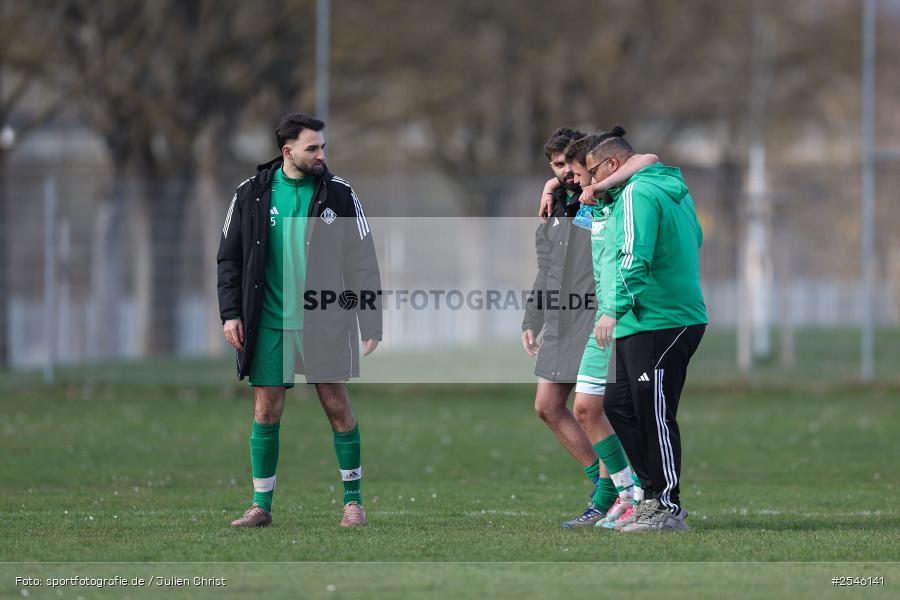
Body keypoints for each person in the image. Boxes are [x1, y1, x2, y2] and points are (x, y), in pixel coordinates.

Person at [217, 112, 382, 529]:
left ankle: (353, 502)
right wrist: (231, 312)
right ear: (287, 151)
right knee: (266, 410)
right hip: (269, 321)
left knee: (336, 406)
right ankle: (260, 506)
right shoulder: (251, 193)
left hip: (325, 319)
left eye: (323, 146)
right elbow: (229, 259)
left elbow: (363, 257)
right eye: (313, 148)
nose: (321, 154)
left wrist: (371, 317)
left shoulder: (340, 194)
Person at [523, 128, 655, 528]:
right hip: (561, 317)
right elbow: (546, 268)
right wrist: (534, 315)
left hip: (594, 315)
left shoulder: (602, 195)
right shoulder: (556, 203)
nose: (565, 173)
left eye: (568, 165)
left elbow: (646, 159)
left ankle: (607, 493)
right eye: (555, 167)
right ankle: (612, 482)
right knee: (547, 406)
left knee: (591, 408)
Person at [588, 127, 707, 532]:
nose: (589, 181)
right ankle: (649, 497)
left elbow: (634, 257)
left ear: (612, 165)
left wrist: (612, 309)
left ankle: (667, 506)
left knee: (654, 411)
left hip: (662, 319)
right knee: (620, 403)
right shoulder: (666, 191)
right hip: (645, 320)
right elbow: (698, 238)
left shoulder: (640, 193)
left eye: (592, 171)